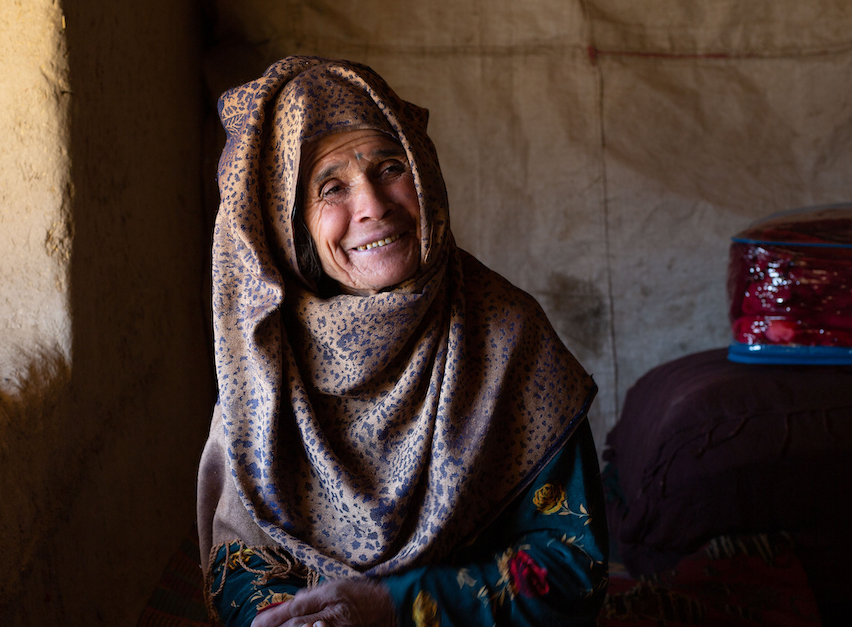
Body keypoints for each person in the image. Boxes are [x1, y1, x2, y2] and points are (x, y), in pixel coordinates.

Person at [197, 56, 607, 627]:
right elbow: (239, 562)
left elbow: (571, 564)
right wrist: (292, 618)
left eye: (390, 167)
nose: (372, 205)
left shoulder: (506, 335)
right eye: (331, 186)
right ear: (289, 222)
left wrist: (400, 606)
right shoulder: (264, 357)